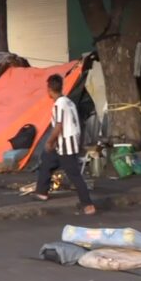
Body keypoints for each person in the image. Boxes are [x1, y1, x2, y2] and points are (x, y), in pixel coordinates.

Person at [34, 74, 95, 215]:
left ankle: (88, 204)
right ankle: (42, 192)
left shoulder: (60, 104)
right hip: (67, 142)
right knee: (47, 160)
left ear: (49, 89)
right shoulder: (69, 102)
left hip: (66, 144)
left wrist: (50, 141)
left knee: (74, 174)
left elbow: (59, 126)